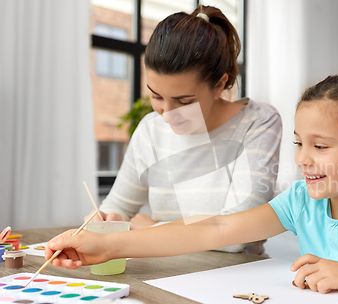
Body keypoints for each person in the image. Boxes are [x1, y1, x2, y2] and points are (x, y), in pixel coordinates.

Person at [47, 72, 338, 303]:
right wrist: (110, 246)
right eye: (301, 143)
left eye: (321, 146)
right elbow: (213, 230)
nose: (303, 158)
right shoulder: (304, 200)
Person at [91, 5, 282, 254]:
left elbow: (237, 235)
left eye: (184, 101)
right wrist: (106, 219)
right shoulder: (150, 129)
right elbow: (119, 207)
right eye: (156, 96)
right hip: (161, 274)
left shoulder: (258, 123)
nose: (167, 113)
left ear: (219, 84)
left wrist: (154, 229)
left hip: (235, 280)